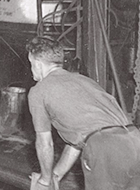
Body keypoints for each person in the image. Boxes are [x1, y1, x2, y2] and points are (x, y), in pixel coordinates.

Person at [26, 36, 140, 190]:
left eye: (31, 64)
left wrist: (45, 181)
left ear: (38, 65)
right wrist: (56, 176)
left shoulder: (39, 90)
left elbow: (45, 143)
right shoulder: (83, 80)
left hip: (104, 148)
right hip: (134, 140)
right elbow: (79, 139)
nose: (31, 69)